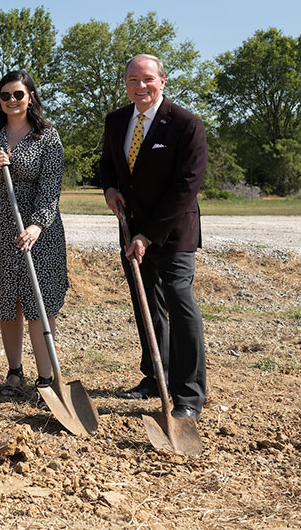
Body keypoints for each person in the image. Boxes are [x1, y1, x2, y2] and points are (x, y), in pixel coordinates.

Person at [100, 54, 208, 421]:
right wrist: (110, 190)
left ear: (162, 81)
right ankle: (154, 377)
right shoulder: (116, 121)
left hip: (173, 232)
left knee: (179, 302)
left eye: (147, 79)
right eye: (132, 79)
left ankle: (189, 394)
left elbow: (186, 187)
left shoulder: (185, 124)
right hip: (130, 230)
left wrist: (149, 235)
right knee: (146, 305)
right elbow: (108, 165)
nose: (140, 86)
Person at [0, 70, 68, 399]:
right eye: (5, 95)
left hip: (40, 233)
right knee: (7, 301)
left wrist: (37, 225)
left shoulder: (47, 137)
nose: (11, 100)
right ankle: (14, 372)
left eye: (18, 95)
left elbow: (51, 188)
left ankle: (46, 379)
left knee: (39, 303)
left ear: (31, 97)